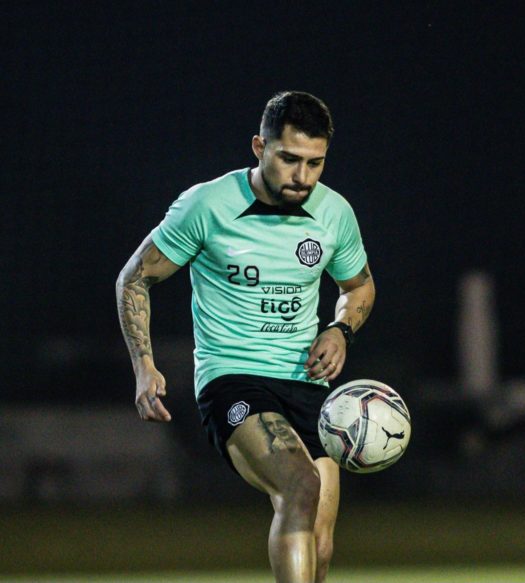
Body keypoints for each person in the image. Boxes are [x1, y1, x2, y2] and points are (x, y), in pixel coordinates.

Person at [115, 91, 375, 583]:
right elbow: (134, 278)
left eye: (315, 163)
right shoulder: (208, 205)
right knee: (300, 485)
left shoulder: (334, 213)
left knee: (319, 543)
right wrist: (143, 364)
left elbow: (358, 286)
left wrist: (341, 329)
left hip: (308, 384)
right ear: (259, 147)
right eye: (289, 159)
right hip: (233, 379)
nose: (302, 176)